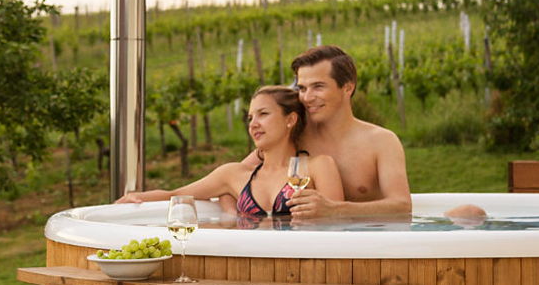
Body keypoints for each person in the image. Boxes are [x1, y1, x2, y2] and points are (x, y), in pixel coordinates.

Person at [116, 86, 344, 218]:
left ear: (290, 119)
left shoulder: (317, 167)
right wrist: (137, 198)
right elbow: (176, 194)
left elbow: (343, 223)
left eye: (263, 114)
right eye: (250, 118)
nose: (253, 123)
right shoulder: (233, 175)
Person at [257, 45, 412, 218]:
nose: (307, 98)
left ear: (347, 88)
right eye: (302, 88)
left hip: (368, 240)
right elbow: (242, 174)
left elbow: (402, 206)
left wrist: (336, 209)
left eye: (318, 87)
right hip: (309, 242)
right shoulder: (295, 136)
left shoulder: (381, 141)